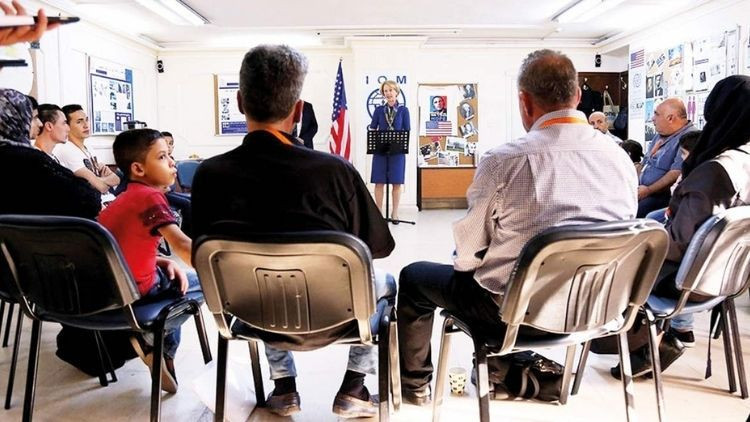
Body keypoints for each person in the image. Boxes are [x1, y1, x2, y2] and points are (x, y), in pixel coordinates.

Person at [396, 49, 638, 405]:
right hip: (597, 308)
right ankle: (505, 369)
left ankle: (414, 387)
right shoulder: (619, 158)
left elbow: (467, 255)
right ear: (576, 96)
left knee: (415, 277)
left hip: (512, 315)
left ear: (524, 101)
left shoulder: (504, 160)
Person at [191, 44, 396, 419]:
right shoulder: (335, 171)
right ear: (299, 111)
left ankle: (284, 388)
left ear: (239, 102)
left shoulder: (209, 174)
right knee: (388, 282)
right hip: (337, 317)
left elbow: (201, 257)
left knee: (261, 276)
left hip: (253, 318)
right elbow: (377, 248)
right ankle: (355, 386)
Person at [613, 75, 750, 378]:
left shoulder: (714, 171)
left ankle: (645, 344)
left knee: (614, 264)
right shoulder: (743, 162)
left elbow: (678, 245)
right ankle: (666, 336)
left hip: (686, 280)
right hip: (727, 279)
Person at [98, 128, 200, 394]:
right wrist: (223, 269)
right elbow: (182, 245)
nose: (172, 162)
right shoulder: (150, 196)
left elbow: (122, 246)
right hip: (137, 288)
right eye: (162, 156)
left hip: (110, 288)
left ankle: (158, 349)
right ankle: (156, 343)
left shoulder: (123, 198)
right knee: (196, 285)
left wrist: (158, 259)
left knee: (173, 281)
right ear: (138, 169)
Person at [637, 98, 696, 217]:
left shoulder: (689, 138)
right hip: (641, 189)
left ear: (670, 118)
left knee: (633, 210)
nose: (652, 118)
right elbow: (644, 163)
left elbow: (676, 173)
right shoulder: (660, 134)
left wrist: (648, 190)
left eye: (656, 114)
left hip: (661, 196)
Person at [54, 104, 120, 201]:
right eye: (79, 122)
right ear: (67, 126)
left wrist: (99, 180)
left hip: (108, 199)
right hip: (92, 204)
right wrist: (102, 181)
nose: (86, 125)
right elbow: (100, 187)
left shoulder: (89, 147)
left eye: (87, 120)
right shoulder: (67, 149)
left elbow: (116, 179)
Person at [369, 80, 410, 223]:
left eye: (390, 90)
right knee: (379, 182)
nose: (388, 93)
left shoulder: (403, 110)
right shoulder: (379, 110)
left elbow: (407, 129)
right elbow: (373, 127)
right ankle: (378, 213)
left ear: (396, 92)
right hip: (381, 150)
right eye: (385, 91)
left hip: (397, 151)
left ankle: (395, 213)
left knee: (396, 183)